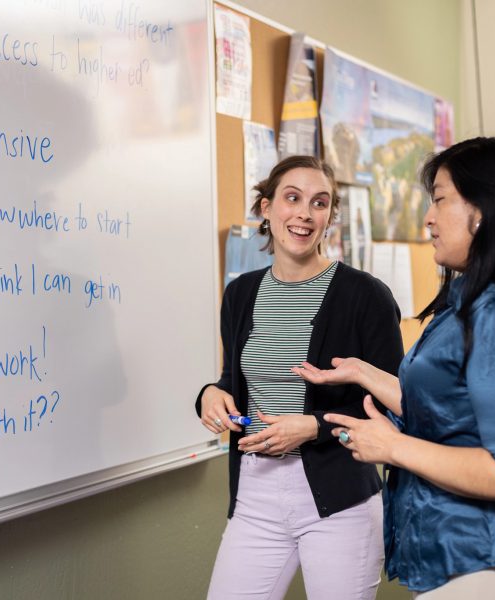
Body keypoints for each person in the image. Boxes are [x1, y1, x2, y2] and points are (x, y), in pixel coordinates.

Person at [294, 137, 495, 598]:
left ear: (485, 209)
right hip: (452, 557)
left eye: (440, 200)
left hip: (487, 559)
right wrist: (365, 373)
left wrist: (393, 448)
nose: (428, 219)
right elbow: (449, 410)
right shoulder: (470, 301)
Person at [195, 155, 404, 600]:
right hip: (255, 493)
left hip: (339, 497)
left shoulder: (365, 295)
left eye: (320, 203)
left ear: (330, 217)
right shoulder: (241, 293)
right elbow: (234, 379)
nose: (305, 214)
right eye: (292, 198)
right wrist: (211, 394)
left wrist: (313, 426)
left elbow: (391, 405)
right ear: (266, 209)